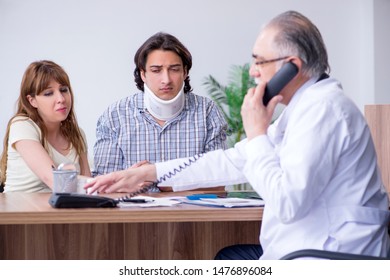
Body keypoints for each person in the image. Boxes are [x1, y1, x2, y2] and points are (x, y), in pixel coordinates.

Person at [84, 11, 390, 259]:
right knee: (227, 257)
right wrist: (152, 173)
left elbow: (287, 202)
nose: (253, 71)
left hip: (328, 255)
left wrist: (257, 134)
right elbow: (232, 160)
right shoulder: (304, 109)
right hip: (310, 247)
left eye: (259, 61)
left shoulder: (324, 110)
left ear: (291, 67)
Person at [92, 32, 228, 191]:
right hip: (134, 215)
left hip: (191, 215)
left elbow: (219, 182)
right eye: (156, 70)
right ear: (143, 74)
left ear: (185, 72)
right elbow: (103, 187)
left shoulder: (207, 113)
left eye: (174, 69)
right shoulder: (115, 116)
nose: (166, 79)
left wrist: (154, 178)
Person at [0, 60, 91, 192]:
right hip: (21, 209)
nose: (61, 99)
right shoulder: (22, 125)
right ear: (32, 101)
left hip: (62, 209)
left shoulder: (77, 134)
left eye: (64, 90)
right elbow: (55, 181)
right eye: (49, 93)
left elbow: (88, 188)